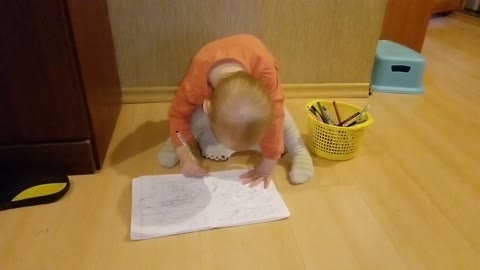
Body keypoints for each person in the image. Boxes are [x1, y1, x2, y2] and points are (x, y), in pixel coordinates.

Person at [158, 34, 313, 187]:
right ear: (208, 106)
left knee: (281, 114)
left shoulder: (265, 72)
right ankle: (177, 140)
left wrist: (268, 164)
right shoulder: (194, 87)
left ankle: (298, 150)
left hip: (256, 63)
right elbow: (178, 114)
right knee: (190, 117)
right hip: (206, 79)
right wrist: (184, 155)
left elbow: (276, 118)